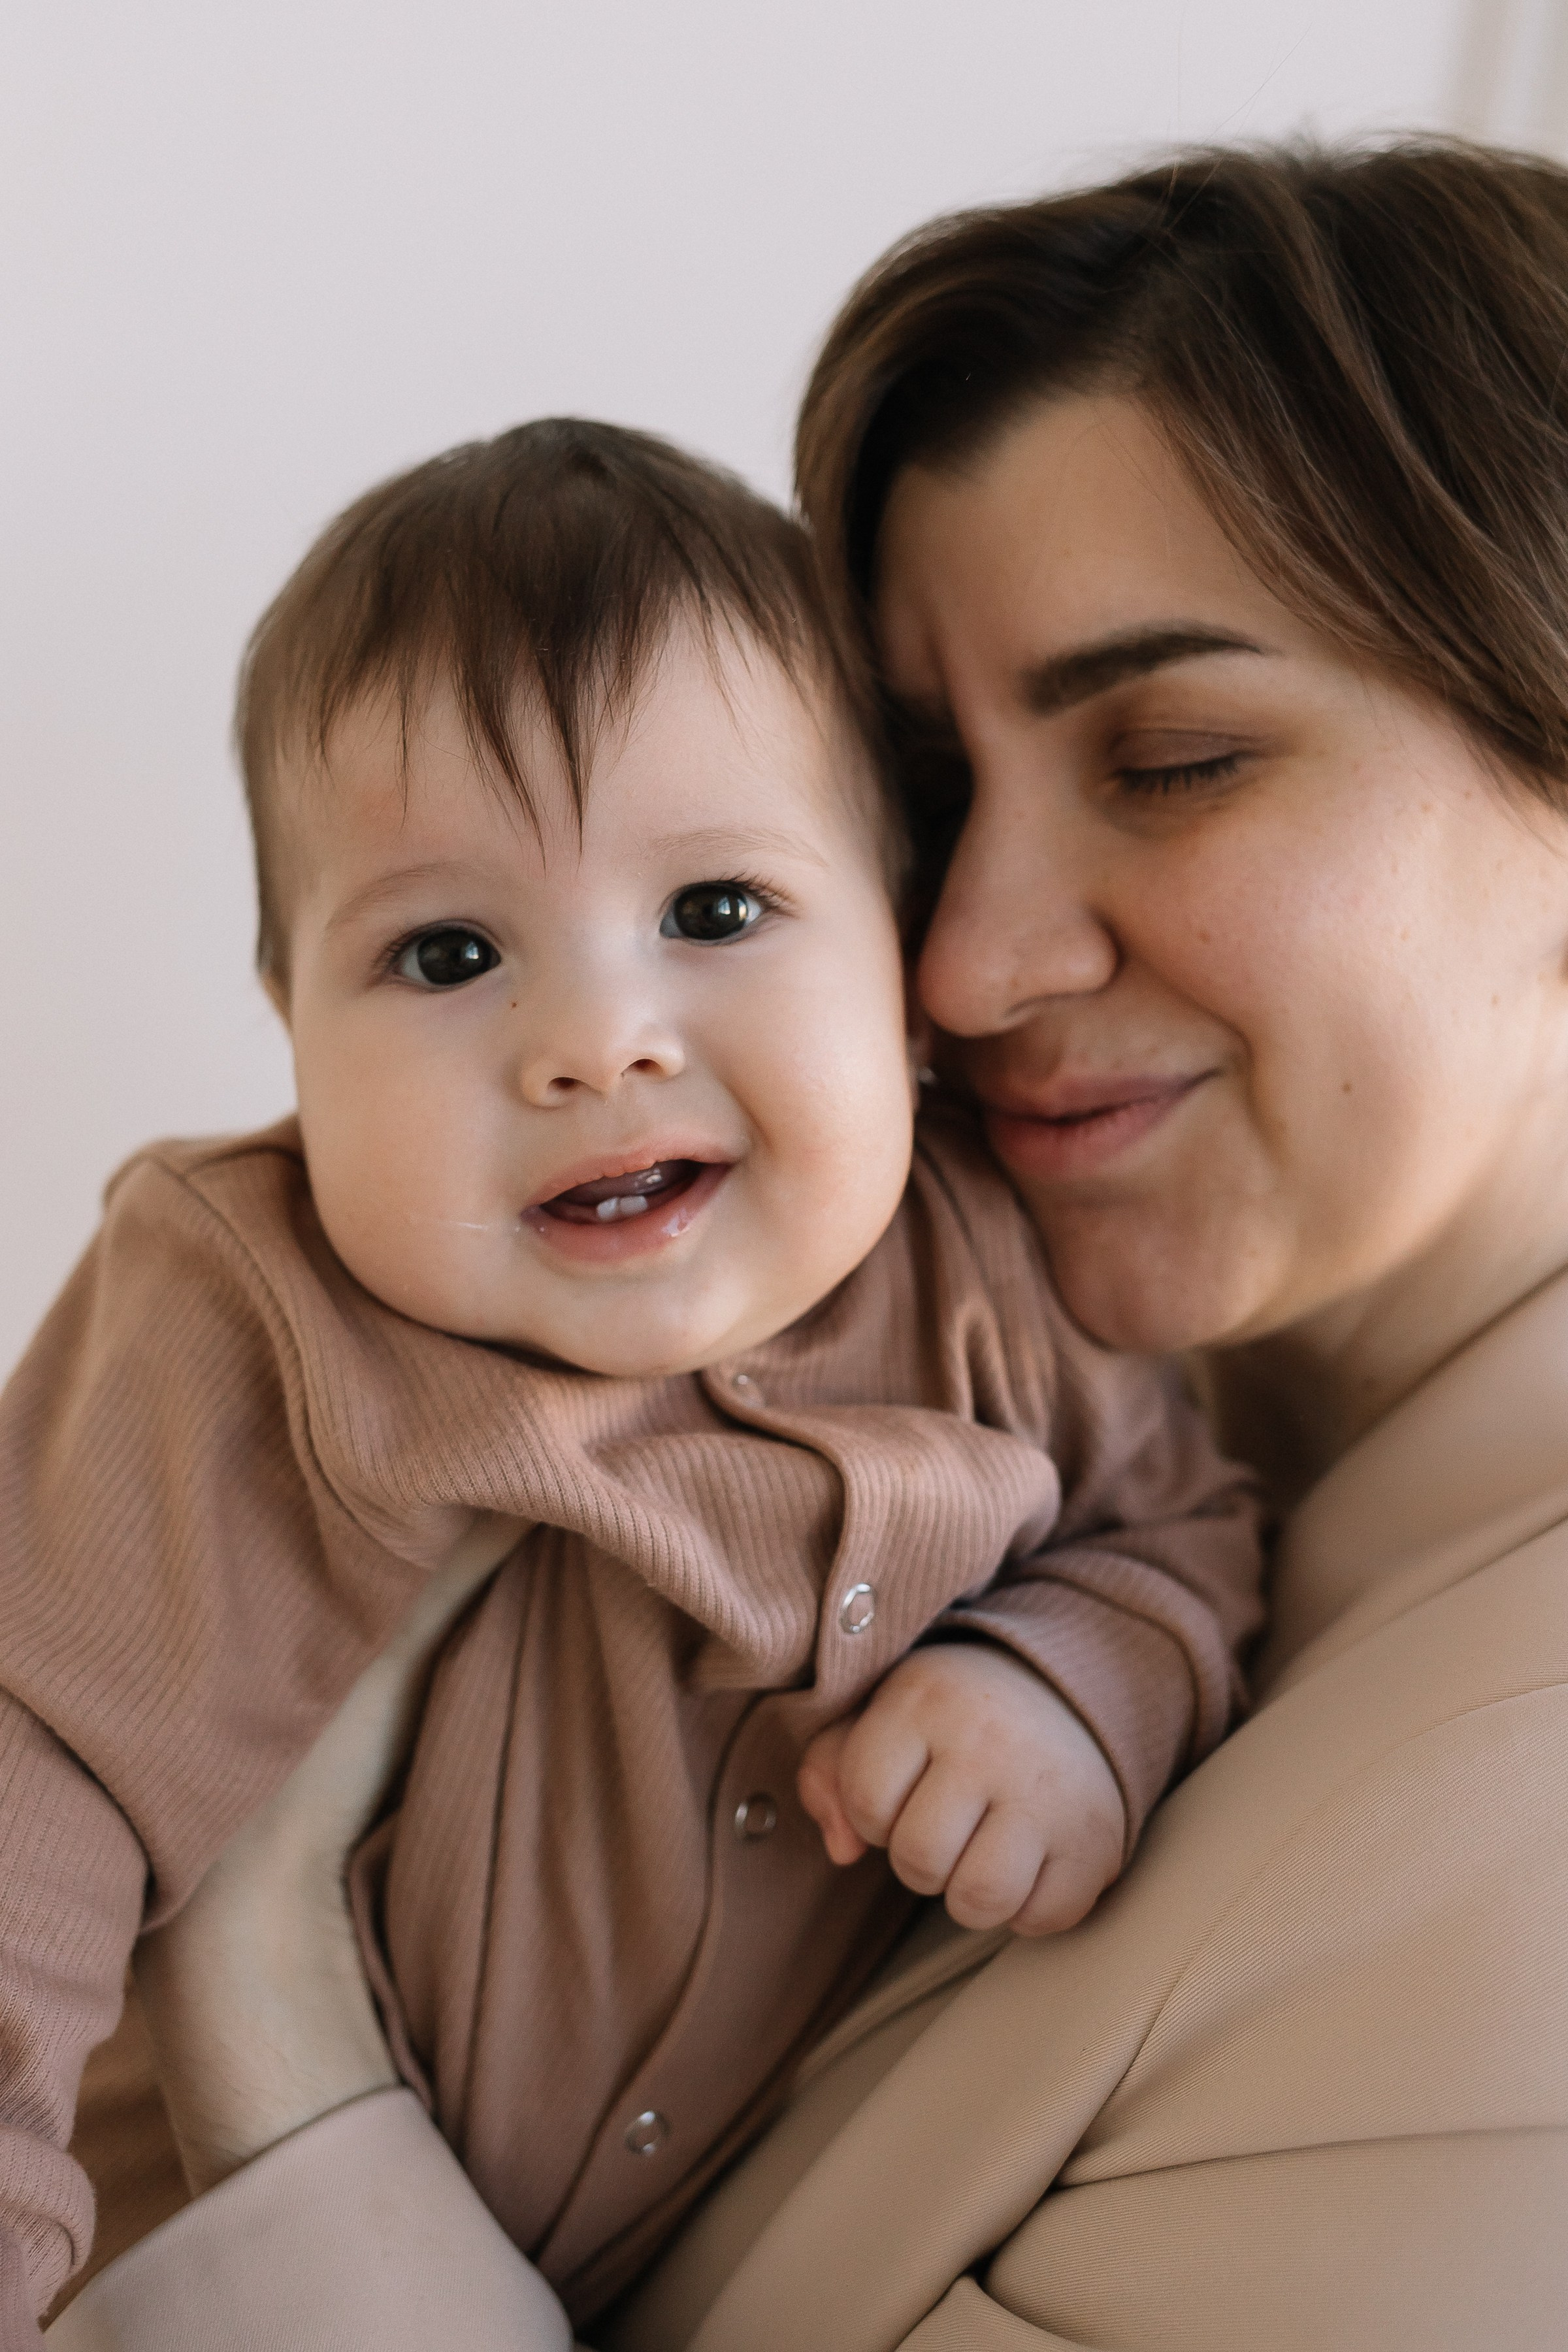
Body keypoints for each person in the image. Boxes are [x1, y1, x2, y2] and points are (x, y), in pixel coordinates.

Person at [46, 133, 1568, 2346]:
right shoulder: (925, 1325)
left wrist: (267, 1984)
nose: (961, 966)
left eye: (1171, 758)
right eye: (932, 797)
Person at [0, 419, 1265, 2349]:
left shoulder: (987, 1271)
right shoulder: (246, 1313)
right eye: (445, 952)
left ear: (902, 950)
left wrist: (1067, 1684)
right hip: (186, 2274)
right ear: (288, 1025)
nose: (595, 1043)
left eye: (717, 914)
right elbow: (37, 1775)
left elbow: (1177, 1532)